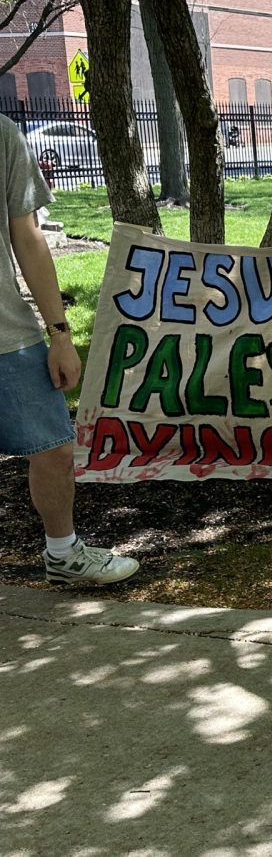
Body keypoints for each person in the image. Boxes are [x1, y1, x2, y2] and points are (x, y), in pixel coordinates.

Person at [0, 114, 139, 585]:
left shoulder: (1, 134)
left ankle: (63, 555)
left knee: (55, 449)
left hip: (8, 334)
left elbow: (28, 236)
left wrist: (60, 333)